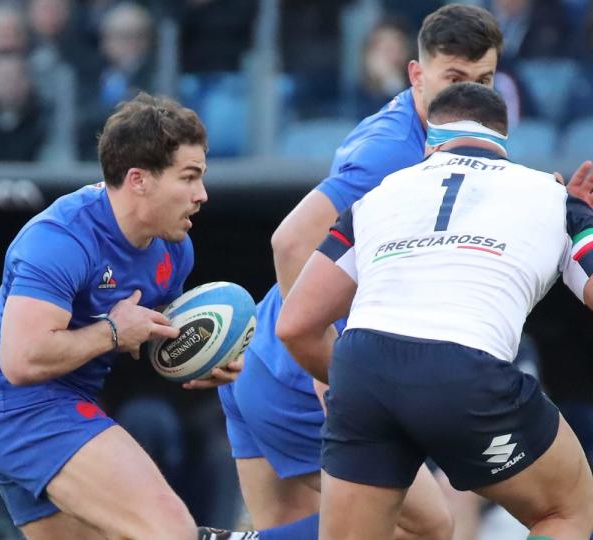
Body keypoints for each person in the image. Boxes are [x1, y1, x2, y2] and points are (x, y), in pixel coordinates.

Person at [211, 5, 503, 539]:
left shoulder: (431, 133)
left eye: (484, 81)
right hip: (297, 380)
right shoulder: (391, 153)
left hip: (263, 366)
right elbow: (291, 240)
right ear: (417, 75)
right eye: (454, 80)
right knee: (431, 526)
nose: (470, 99)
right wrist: (327, 366)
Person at [276, 82, 593, 540]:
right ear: (505, 137)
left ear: (428, 138)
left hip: (362, 372)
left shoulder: (378, 196)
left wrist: (371, 386)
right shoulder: (553, 197)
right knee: (567, 511)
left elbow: (296, 325)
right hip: (465, 371)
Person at [0, 93, 242, 539]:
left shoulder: (174, 247)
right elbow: (22, 361)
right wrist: (113, 332)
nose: (202, 195)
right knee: (171, 530)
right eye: (189, 178)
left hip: (52, 411)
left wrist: (201, 357)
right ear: (138, 179)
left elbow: (150, 338)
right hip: (24, 410)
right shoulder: (61, 239)